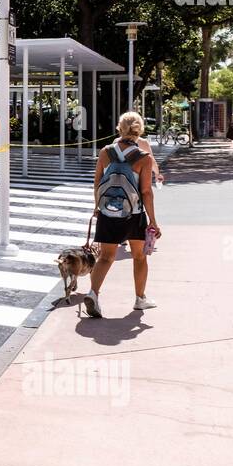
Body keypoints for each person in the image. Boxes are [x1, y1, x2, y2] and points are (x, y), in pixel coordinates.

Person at [84, 111, 161, 317]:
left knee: (106, 257)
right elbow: (145, 191)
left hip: (108, 212)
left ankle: (93, 293)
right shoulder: (143, 158)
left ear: (120, 128)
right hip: (133, 214)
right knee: (139, 257)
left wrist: (97, 207)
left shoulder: (105, 152)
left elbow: (98, 182)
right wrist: (153, 220)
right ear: (140, 130)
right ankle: (140, 299)